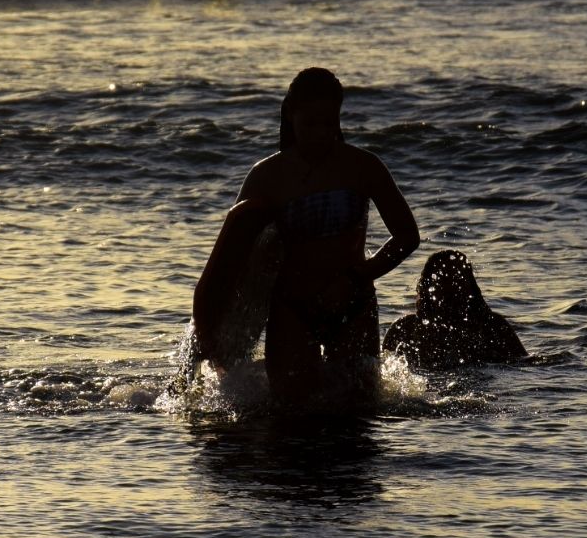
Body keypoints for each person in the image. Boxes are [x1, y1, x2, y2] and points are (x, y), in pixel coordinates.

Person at [226, 68, 419, 411]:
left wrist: (356, 278)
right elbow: (236, 254)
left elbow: (407, 236)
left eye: (328, 123)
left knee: (360, 417)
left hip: (353, 303)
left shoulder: (363, 166)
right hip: (291, 308)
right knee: (290, 419)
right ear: (290, 114)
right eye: (309, 123)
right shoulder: (266, 176)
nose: (320, 133)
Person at [383, 251, 527, 371]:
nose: (451, 288)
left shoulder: (493, 326)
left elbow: (523, 364)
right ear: (427, 288)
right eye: (444, 281)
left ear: (470, 286)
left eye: (457, 281)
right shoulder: (404, 329)